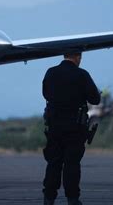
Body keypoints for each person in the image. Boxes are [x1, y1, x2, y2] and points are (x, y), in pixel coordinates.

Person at [42, 52, 101, 205]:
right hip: (75, 128)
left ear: (64, 55)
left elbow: (46, 94)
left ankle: (48, 198)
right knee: (72, 165)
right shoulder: (82, 75)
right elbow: (95, 98)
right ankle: (72, 199)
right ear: (78, 57)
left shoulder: (51, 72)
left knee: (53, 163)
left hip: (55, 127)